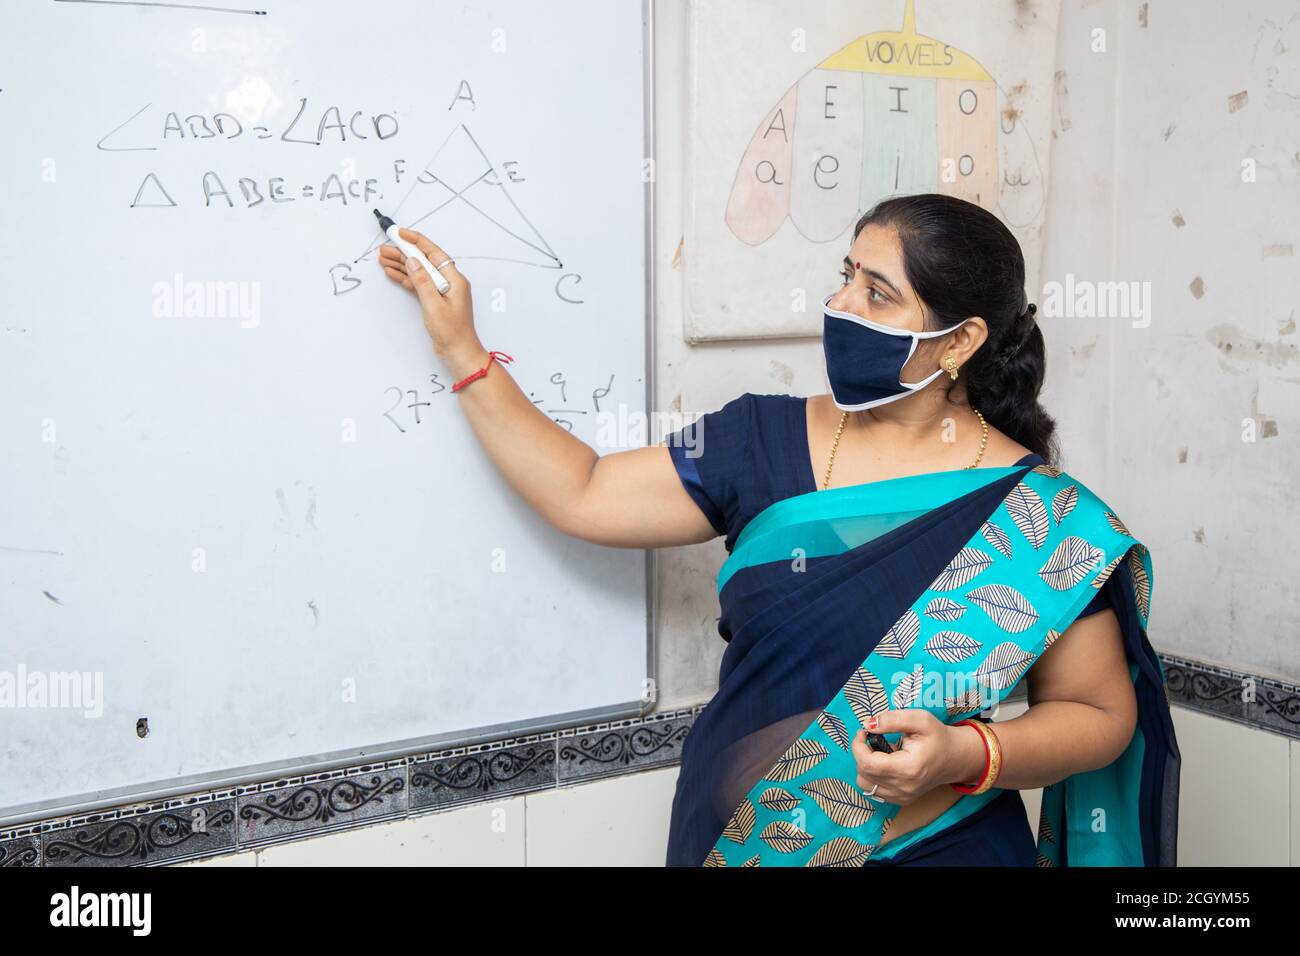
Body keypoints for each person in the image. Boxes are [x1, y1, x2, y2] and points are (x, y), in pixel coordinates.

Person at [379, 192, 1180, 868]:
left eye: (878, 292)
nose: (841, 306)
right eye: (845, 277)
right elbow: (584, 491)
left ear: (962, 340)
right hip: (734, 842)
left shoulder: (1046, 519)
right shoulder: (756, 440)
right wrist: (461, 346)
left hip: (945, 847)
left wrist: (970, 755)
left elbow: (1101, 716)